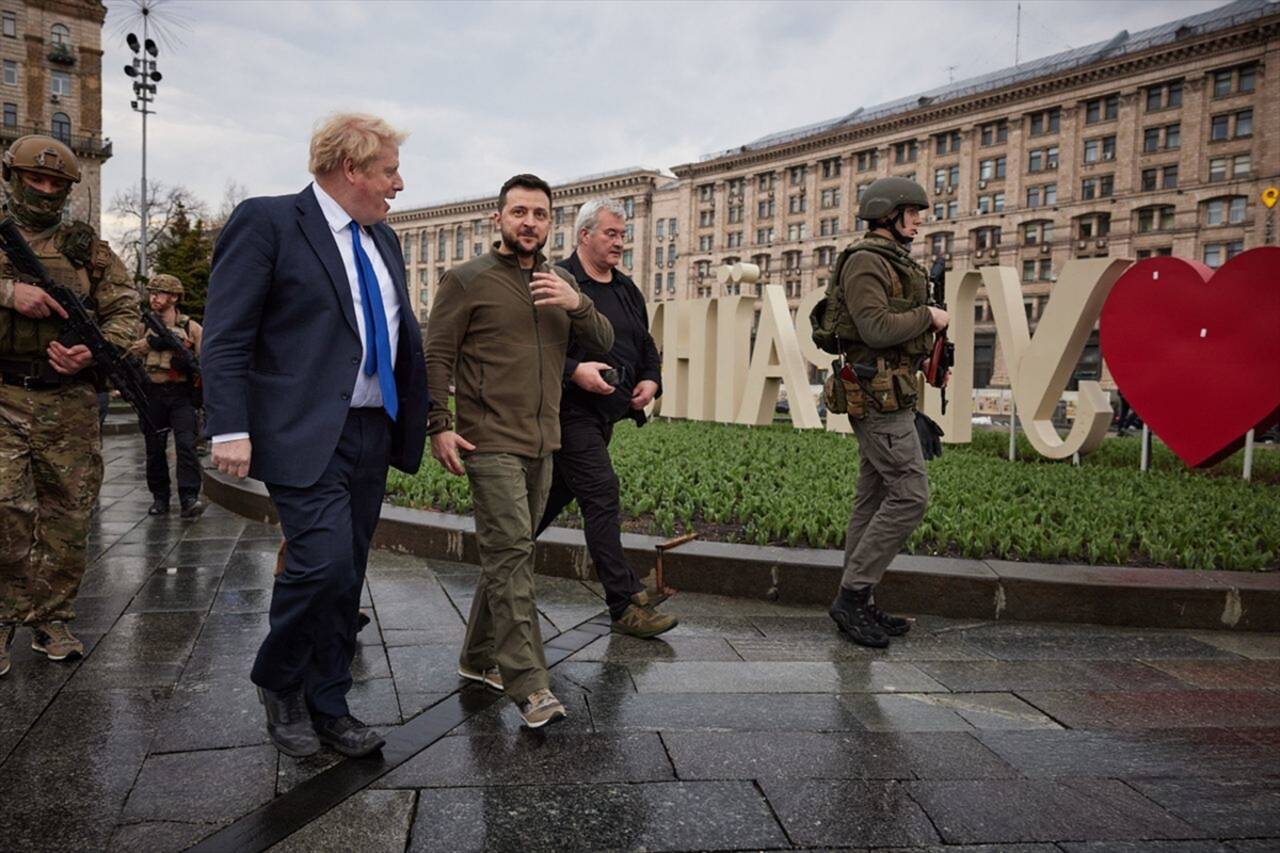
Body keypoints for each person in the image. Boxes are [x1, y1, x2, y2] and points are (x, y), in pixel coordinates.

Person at [202, 114, 428, 758]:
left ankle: (329, 703)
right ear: (351, 169)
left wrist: (425, 416)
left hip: (371, 429)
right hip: (305, 430)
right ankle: (277, 680)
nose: (399, 184)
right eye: (389, 171)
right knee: (320, 564)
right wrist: (230, 425)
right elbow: (226, 334)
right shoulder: (269, 221)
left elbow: (399, 336)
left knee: (347, 574)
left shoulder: (384, 241)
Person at [426, 174, 614, 728]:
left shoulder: (560, 284)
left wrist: (578, 302)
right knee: (512, 556)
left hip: (544, 442)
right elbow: (436, 355)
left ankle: (477, 657)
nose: (528, 222)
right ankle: (530, 686)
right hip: (490, 442)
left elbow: (604, 342)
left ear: (550, 224)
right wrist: (438, 422)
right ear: (499, 220)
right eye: (519, 212)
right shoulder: (466, 280)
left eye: (539, 214)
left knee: (508, 553)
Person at [0, 135, 139, 675]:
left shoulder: (88, 250)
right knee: (5, 509)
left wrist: (96, 349)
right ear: (13, 178)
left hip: (69, 402)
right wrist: (10, 294)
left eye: (56, 184)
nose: (45, 190)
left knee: (68, 515)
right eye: (35, 180)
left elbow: (126, 310)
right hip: (4, 392)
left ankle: (52, 618)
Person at [533, 198, 676, 638]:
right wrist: (575, 371)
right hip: (568, 411)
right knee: (601, 493)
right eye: (611, 234)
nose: (620, 242)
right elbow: (532, 348)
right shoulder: (557, 281)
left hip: (605, 417)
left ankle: (503, 558)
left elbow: (646, 344)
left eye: (622, 234)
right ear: (584, 235)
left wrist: (652, 381)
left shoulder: (626, 288)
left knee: (548, 499)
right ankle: (624, 603)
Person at [827, 176, 948, 648]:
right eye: (912, 213)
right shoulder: (865, 262)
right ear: (889, 215)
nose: (918, 221)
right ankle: (852, 598)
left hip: (893, 390)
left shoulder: (894, 261)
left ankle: (858, 599)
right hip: (876, 396)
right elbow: (875, 328)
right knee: (910, 495)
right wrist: (930, 318)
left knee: (873, 497)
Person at [130, 273, 204, 518]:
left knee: (186, 445)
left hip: (181, 394)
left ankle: (189, 496)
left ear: (174, 297)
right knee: (154, 448)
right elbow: (128, 355)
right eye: (151, 293)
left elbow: (204, 363)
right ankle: (160, 498)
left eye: (159, 293)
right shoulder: (142, 326)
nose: (154, 298)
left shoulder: (191, 328)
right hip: (152, 393)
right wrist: (149, 344)